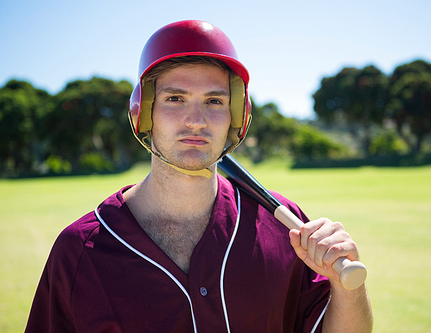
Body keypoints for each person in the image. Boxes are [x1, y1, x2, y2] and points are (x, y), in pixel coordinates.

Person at [25, 20, 372, 332]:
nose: (196, 120)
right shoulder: (80, 251)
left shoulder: (285, 228)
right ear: (144, 113)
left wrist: (346, 288)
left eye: (215, 102)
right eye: (175, 99)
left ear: (238, 115)